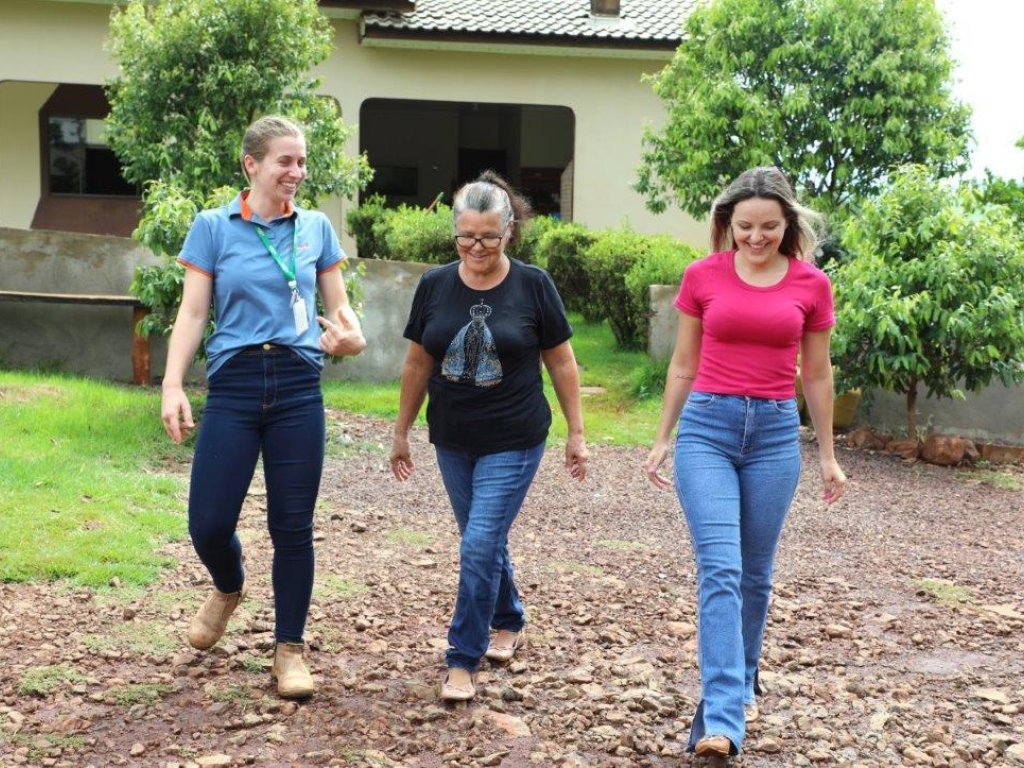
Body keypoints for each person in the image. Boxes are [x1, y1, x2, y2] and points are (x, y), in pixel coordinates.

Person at [160, 115, 366, 699]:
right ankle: (229, 585)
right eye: (285, 161)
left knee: (292, 526)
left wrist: (355, 338)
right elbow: (194, 313)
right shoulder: (212, 227)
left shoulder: (318, 228)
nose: (296, 172)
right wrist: (173, 383)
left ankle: (289, 650)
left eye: (301, 162)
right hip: (236, 384)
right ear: (252, 165)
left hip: (299, 385)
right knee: (208, 523)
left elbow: (341, 310)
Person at [645, 166, 847, 759]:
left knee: (755, 574)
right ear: (726, 224)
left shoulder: (812, 284)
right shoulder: (701, 276)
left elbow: (816, 373)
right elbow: (683, 363)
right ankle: (725, 719)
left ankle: (743, 671)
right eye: (744, 227)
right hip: (707, 428)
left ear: (787, 225)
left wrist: (829, 457)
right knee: (722, 570)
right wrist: (663, 437)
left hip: (776, 435)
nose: (755, 238)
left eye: (768, 227)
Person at [390, 171, 588, 702]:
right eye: (466, 236)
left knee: (478, 542)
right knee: (483, 540)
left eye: (489, 237)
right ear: (454, 232)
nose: (476, 247)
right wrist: (402, 431)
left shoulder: (532, 285)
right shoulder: (434, 285)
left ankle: (462, 658)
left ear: (509, 232)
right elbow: (417, 362)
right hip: (453, 438)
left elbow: (563, 363)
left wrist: (577, 433)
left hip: (515, 437)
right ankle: (509, 617)